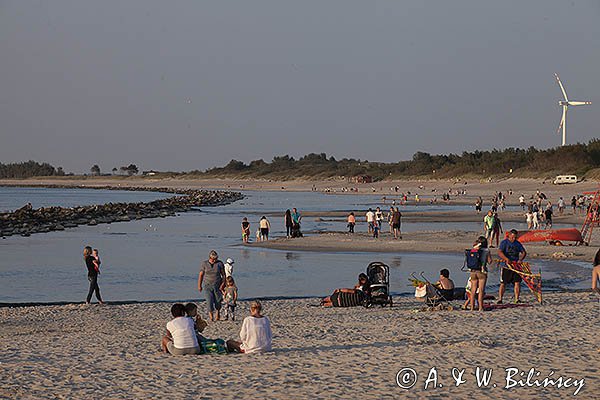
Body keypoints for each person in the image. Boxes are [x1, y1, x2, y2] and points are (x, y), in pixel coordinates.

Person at [497, 229, 527, 304]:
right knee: (503, 283)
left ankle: (517, 299)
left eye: (515, 237)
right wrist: (506, 259)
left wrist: (520, 259)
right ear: (509, 236)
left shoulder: (517, 243)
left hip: (516, 265)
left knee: (517, 282)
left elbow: (523, 252)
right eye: (512, 237)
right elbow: (500, 252)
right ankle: (500, 299)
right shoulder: (504, 243)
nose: (513, 239)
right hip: (506, 266)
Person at [198, 250, 226, 321]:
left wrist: (223, 284)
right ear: (209, 258)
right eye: (213, 259)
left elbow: (223, 275)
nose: (214, 260)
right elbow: (201, 275)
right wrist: (199, 285)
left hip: (218, 285)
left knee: (218, 301)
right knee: (209, 300)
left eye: (216, 259)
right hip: (207, 285)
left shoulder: (220, 263)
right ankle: (211, 317)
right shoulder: (204, 264)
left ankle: (218, 313)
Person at [466, 236, 492, 311]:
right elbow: (490, 261)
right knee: (481, 290)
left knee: (473, 289)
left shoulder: (474, 250)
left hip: (473, 271)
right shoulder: (486, 251)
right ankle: (480, 307)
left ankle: (472, 307)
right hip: (482, 272)